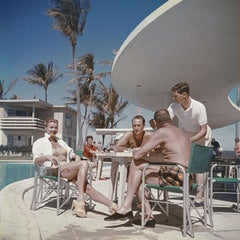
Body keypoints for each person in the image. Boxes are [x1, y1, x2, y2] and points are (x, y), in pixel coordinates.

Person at [104, 109, 191, 227]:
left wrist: (137, 150)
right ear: (169, 119)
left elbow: (138, 155)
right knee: (138, 177)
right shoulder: (181, 132)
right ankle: (147, 216)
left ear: (155, 122)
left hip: (175, 177)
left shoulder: (161, 131)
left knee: (136, 165)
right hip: (187, 176)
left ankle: (127, 207)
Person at [32, 118, 118, 218]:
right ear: (45, 128)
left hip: (67, 170)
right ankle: (81, 199)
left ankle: (111, 205)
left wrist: (76, 156)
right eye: (51, 127)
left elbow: (71, 153)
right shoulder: (40, 142)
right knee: (84, 164)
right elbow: (35, 160)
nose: (54, 130)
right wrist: (47, 157)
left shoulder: (61, 141)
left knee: (88, 188)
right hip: (54, 170)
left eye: (56, 127)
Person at [167, 82, 208, 207]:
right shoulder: (174, 106)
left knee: (198, 167)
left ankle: (199, 197)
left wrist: (189, 141)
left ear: (184, 94)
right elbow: (165, 119)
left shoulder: (199, 107)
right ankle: (186, 188)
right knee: (183, 163)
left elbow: (204, 130)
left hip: (200, 134)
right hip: (186, 134)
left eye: (175, 96)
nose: (173, 98)